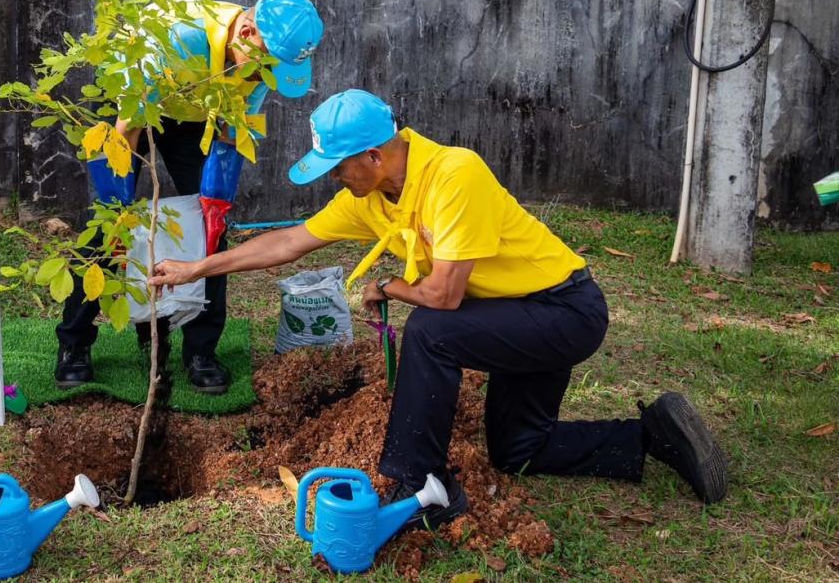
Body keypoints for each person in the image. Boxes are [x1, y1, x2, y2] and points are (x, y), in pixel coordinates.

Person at [149, 89, 728, 525]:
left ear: (373, 156)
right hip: (511, 317)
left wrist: (389, 286)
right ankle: (651, 436)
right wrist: (197, 268)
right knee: (519, 451)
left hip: (563, 310)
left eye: (338, 167)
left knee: (430, 328)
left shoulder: (454, 173)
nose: (334, 179)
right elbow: (288, 242)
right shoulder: (371, 197)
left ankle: (417, 484)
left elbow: (446, 295)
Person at [56, 0, 325, 396]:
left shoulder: (258, 64)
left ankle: (201, 350)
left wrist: (216, 205)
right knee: (106, 226)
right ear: (246, 33)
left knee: (210, 229)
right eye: (269, 65)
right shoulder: (179, 38)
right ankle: (74, 343)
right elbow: (128, 128)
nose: (266, 77)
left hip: (194, 111)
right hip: (131, 101)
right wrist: (119, 207)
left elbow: (232, 132)